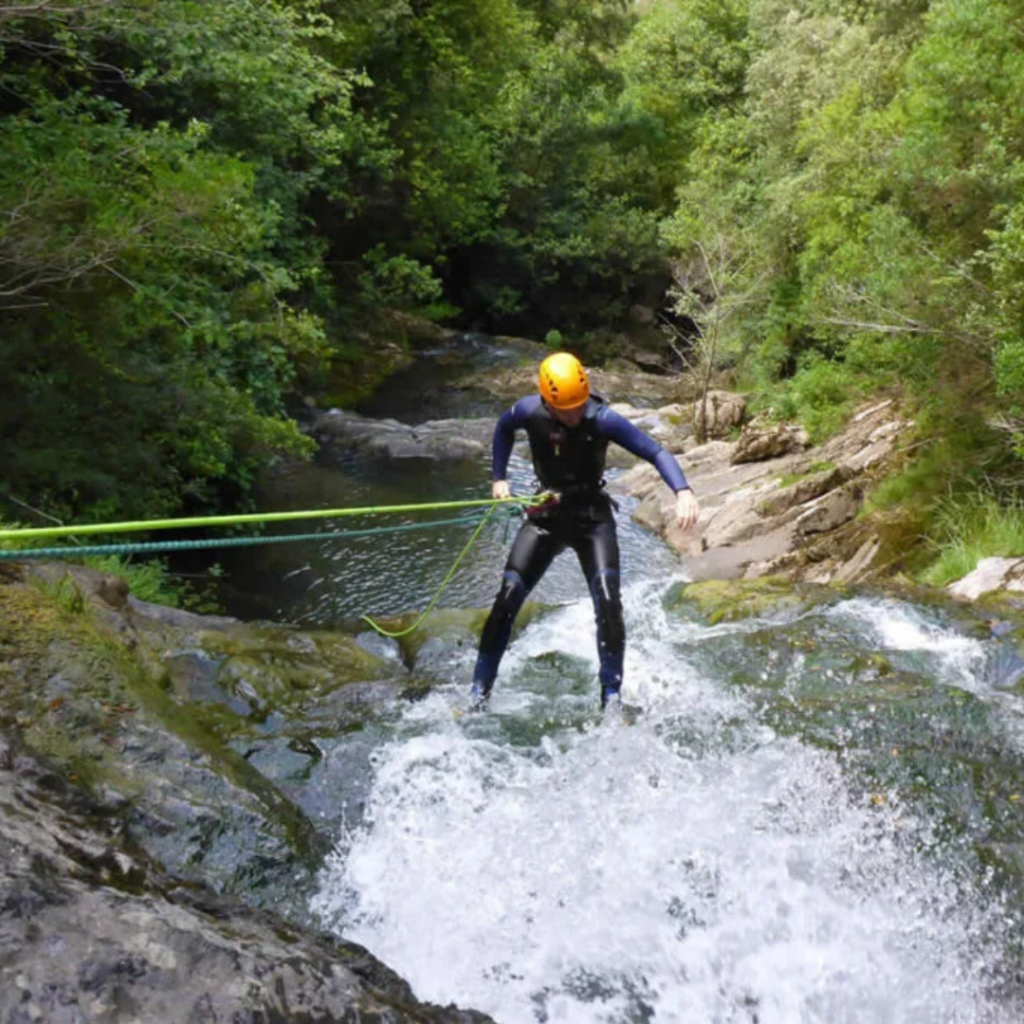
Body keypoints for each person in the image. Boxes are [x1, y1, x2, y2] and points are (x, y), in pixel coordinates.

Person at [470, 351, 699, 710]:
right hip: (546, 516)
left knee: (609, 603)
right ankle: (478, 695)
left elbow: (655, 452)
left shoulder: (602, 419)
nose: (575, 414)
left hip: (592, 517)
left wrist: (683, 490)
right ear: (549, 401)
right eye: (567, 409)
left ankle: (611, 699)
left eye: (579, 406)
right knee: (507, 598)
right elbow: (502, 427)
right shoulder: (530, 412)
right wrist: (498, 477)